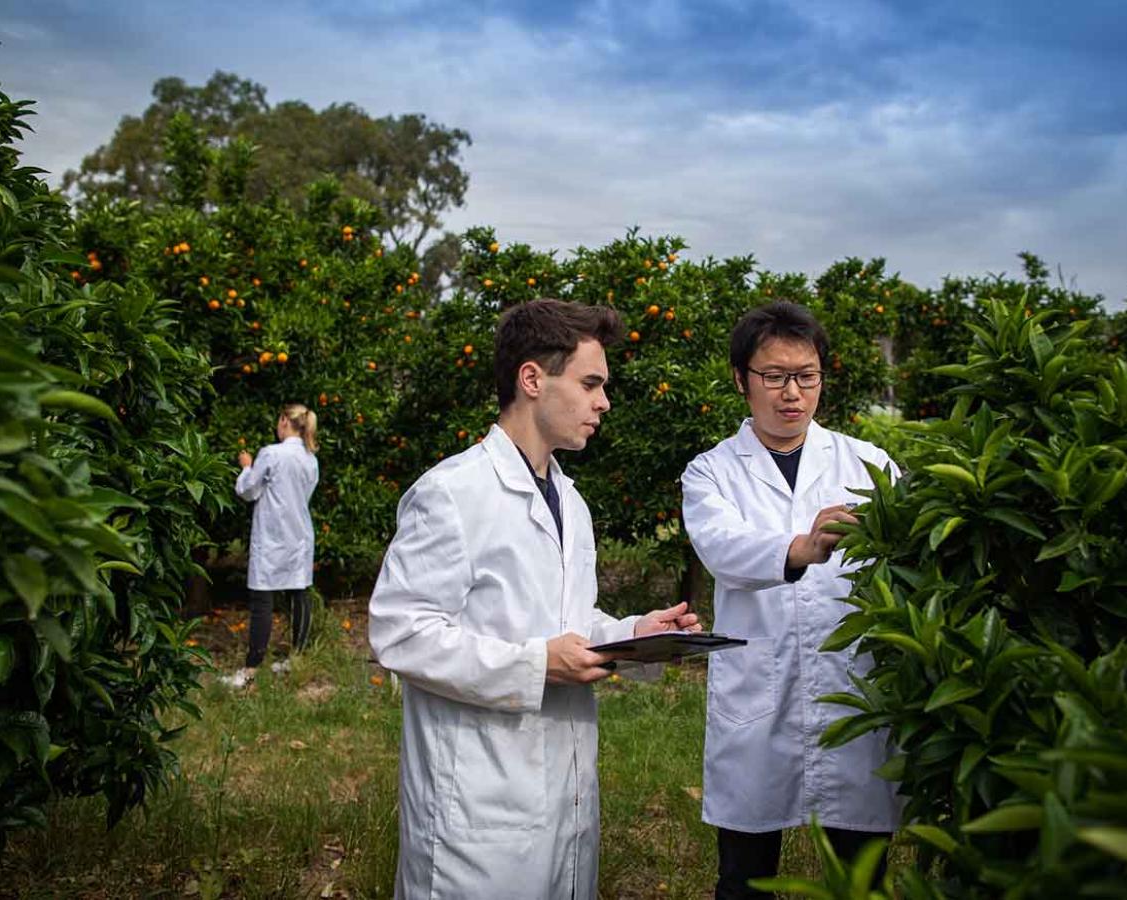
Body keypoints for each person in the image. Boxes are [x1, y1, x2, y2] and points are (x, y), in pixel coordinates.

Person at [369, 298, 701, 900]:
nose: (604, 402)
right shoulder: (453, 493)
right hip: (476, 801)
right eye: (590, 383)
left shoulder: (570, 502)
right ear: (532, 379)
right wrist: (535, 664)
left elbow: (565, 621)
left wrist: (633, 633)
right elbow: (401, 633)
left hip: (563, 793)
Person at [681, 302, 900, 899]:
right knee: (745, 878)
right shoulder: (711, 473)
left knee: (861, 877)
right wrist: (802, 546)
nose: (792, 393)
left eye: (806, 376)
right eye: (774, 377)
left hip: (850, 690)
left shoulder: (869, 464)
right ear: (740, 380)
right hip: (759, 692)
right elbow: (721, 548)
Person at [224, 403, 320, 688]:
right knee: (299, 595)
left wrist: (246, 467)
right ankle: (297, 658)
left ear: (284, 422)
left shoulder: (271, 454)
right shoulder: (309, 459)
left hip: (272, 535)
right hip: (299, 533)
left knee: (262, 600)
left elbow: (248, 490)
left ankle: (252, 669)